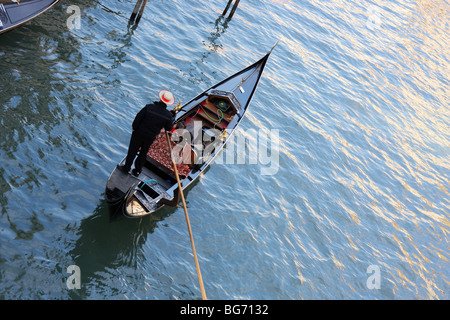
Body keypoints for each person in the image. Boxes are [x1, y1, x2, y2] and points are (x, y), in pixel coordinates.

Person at [117, 90, 175, 177]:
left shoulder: (149, 107)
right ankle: (137, 171)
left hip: (139, 132)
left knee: (132, 150)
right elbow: (168, 128)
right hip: (150, 136)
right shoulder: (168, 116)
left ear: (160, 98)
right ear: (168, 103)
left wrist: (134, 128)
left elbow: (138, 118)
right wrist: (171, 118)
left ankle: (126, 168)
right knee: (143, 153)